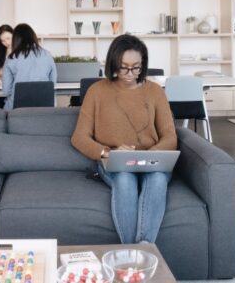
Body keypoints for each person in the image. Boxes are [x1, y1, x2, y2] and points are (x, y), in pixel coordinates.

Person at [70, 34, 177, 244]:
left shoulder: (155, 91)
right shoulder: (96, 91)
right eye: (123, 67)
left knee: (157, 180)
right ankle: (132, 250)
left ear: (143, 64)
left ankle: (142, 250)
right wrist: (108, 153)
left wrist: (150, 155)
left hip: (151, 160)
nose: (130, 74)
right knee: (125, 181)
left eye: (136, 67)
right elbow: (79, 137)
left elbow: (170, 135)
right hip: (115, 161)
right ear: (113, 63)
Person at [1, 23, 57, 111]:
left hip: (17, 110)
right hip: (45, 109)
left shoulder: (11, 58)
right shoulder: (47, 55)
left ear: (15, 39)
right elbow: (52, 84)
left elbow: (6, 91)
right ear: (33, 37)